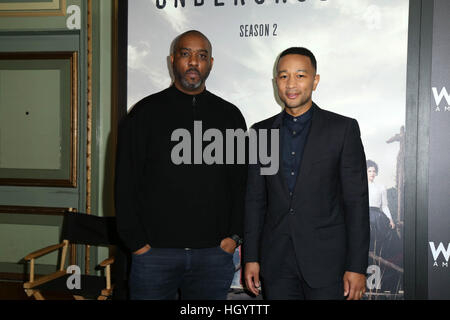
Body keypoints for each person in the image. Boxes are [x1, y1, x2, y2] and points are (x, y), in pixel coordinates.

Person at [114, 30, 247, 300]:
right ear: (172, 60)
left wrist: (234, 237)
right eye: (186, 54)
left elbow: (241, 183)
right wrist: (137, 244)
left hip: (213, 255)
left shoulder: (230, 115)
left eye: (202, 56)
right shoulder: (143, 113)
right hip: (154, 256)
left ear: (211, 63)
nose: (194, 62)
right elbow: (124, 184)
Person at [243, 47, 370, 300]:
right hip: (276, 263)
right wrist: (251, 258)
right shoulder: (260, 132)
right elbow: (255, 201)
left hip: (327, 265)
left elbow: (355, 202)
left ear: (315, 80)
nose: (291, 84)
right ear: (275, 82)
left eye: (300, 75)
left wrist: (356, 266)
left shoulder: (342, 129)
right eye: (283, 76)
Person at [366, 159, 396, 257]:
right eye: (369, 171)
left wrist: (390, 219)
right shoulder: (358, 185)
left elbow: (384, 206)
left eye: (374, 171)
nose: (372, 173)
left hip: (377, 216)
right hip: (363, 214)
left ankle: (382, 259)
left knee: (388, 233)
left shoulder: (381, 187)